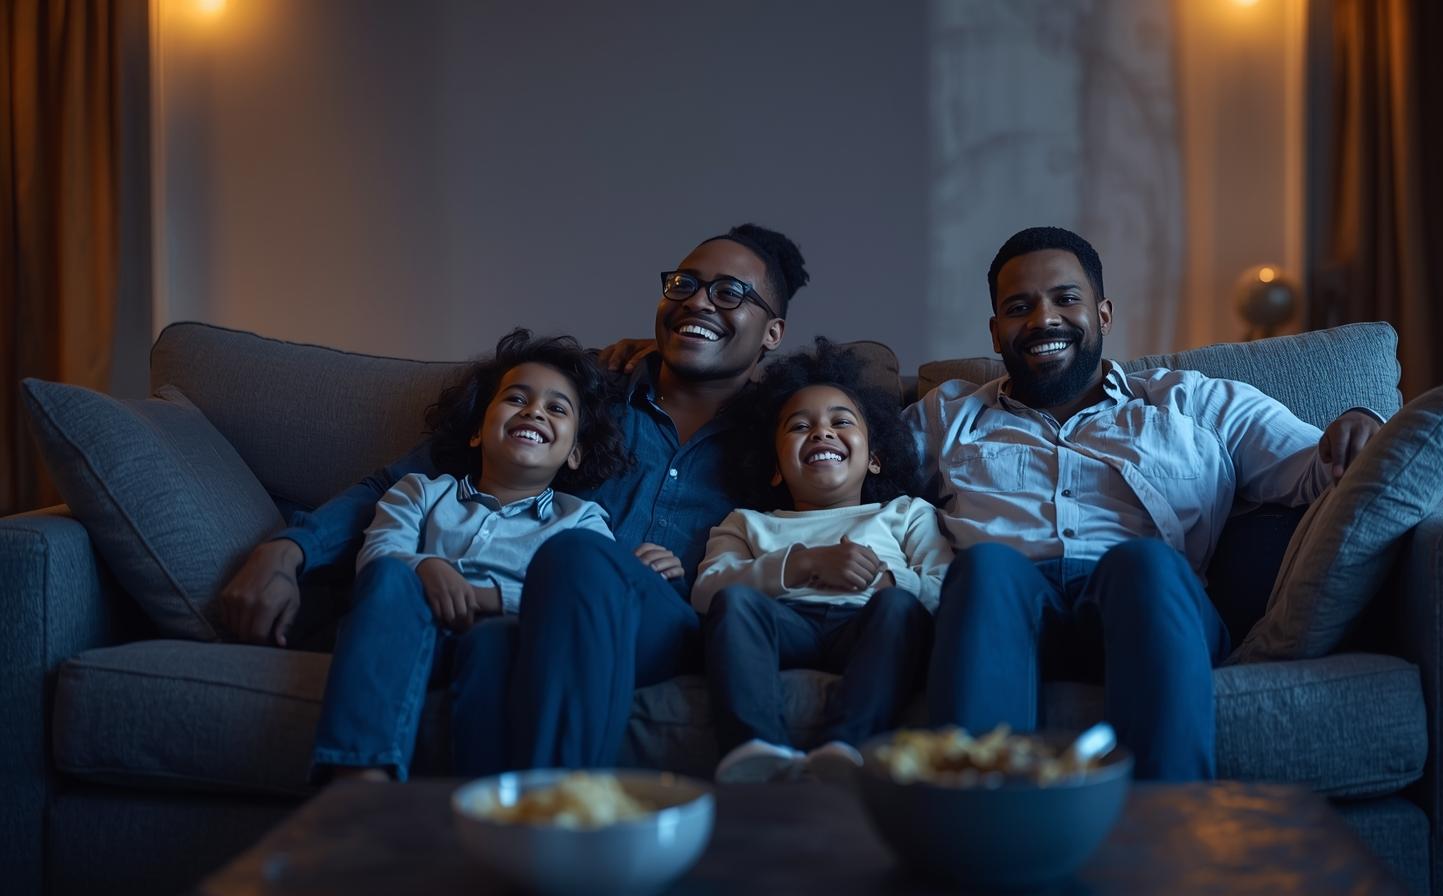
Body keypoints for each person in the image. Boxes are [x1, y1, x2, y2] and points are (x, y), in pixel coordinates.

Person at [218, 223, 809, 772]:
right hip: (527, 615)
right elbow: (399, 484)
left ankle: (556, 811)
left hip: (661, 627)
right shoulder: (580, 394)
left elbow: (858, 509)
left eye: (730, 293)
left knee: (575, 555)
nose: (699, 302)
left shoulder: (787, 436)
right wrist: (287, 550)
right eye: (686, 284)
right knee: (538, 593)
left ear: (773, 333)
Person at [910, 226, 1382, 781]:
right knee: (986, 569)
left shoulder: (1194, 402)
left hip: (1146, 609)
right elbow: (847, 473)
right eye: (1020, 307)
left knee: (1144, 563)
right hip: (1004, 613)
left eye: (1066, 299)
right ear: (995, 332)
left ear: (1103, 315)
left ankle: (1166, 832)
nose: (1043, 320)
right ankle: (980, 837)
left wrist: (1360, 424)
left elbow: (1317, 466)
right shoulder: (946, 416)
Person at [309, 331, 624, 781]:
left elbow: (586, 600)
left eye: (557, 408)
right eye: (517, 398)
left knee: (495, 640)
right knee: (388, 578)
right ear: (478, 431)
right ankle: (361, 781)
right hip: (408, 628)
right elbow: (378, 554)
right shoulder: (420, 490)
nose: (534, 411)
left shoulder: (583, 519)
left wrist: (488, 598)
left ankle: (487, 804)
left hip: (503, 639)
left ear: (575, 453)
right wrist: (427, 566)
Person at [693, 340, 948, 783]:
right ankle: (755, 747)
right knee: (735, 604)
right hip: (785, 624)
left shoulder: (906, 512)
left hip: (869, 625)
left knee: (899, 610)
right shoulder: (748, 522)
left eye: (841, 422)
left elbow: (945, 584)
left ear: (874, 458)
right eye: (799, 426)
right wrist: (802, 565)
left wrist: (891, 582)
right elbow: (706, 590)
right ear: (774, 466)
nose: (821, 433)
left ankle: (846, 745)